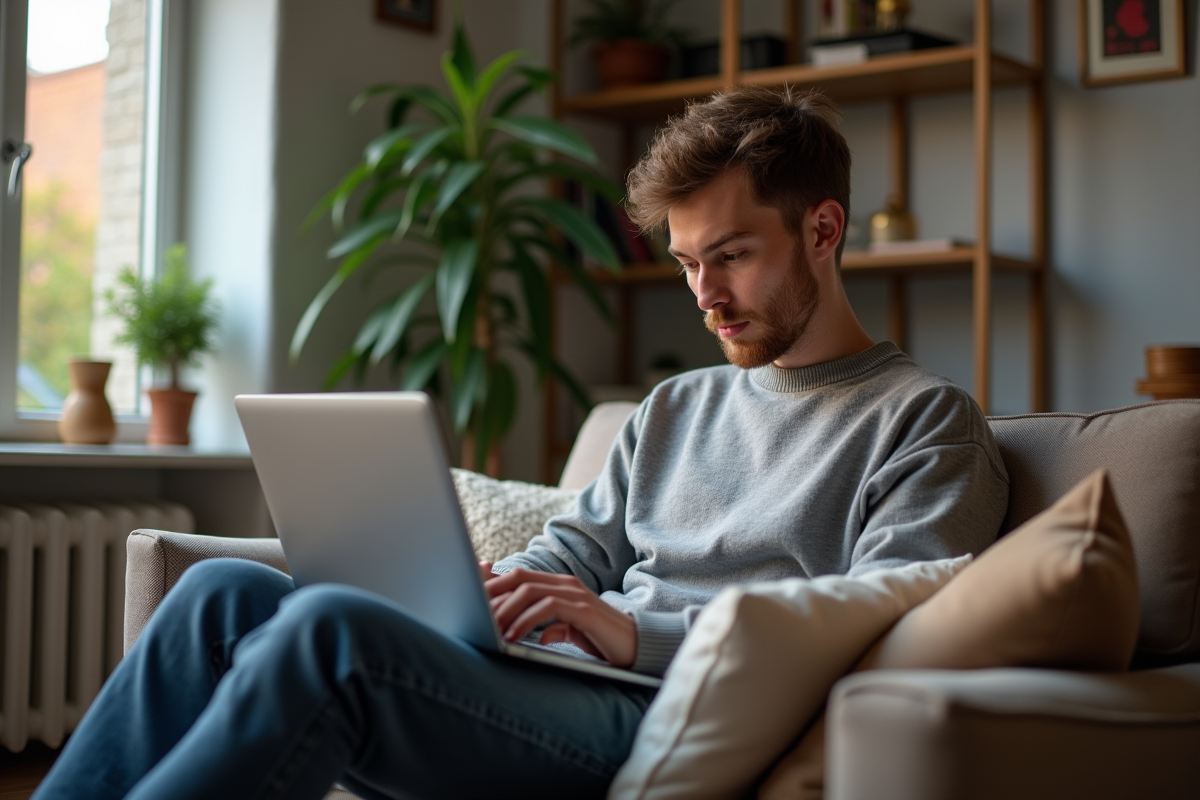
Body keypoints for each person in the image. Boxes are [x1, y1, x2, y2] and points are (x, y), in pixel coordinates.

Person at [34, 86, 1008, 800]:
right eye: (685, 263)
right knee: (219, 593)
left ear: (824, 229)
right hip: (566, 675)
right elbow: (571, 554)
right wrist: (491, 592)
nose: (705, 294)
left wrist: (631, 632)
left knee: (330, 634)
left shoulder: (924, 423)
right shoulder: (674, 405)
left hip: (667, 714)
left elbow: (885, 638)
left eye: (733, 256)